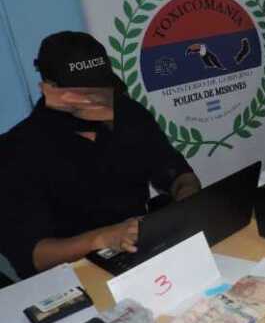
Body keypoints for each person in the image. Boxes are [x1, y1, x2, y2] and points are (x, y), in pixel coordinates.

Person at [0, 31, 201, 278]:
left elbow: (177, 173)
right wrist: (102, 238)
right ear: (50, 89)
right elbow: (34, 256)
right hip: (72, 274)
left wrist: (188, 203)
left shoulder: (128, 115)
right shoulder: (17, 150)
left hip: (140, 256)